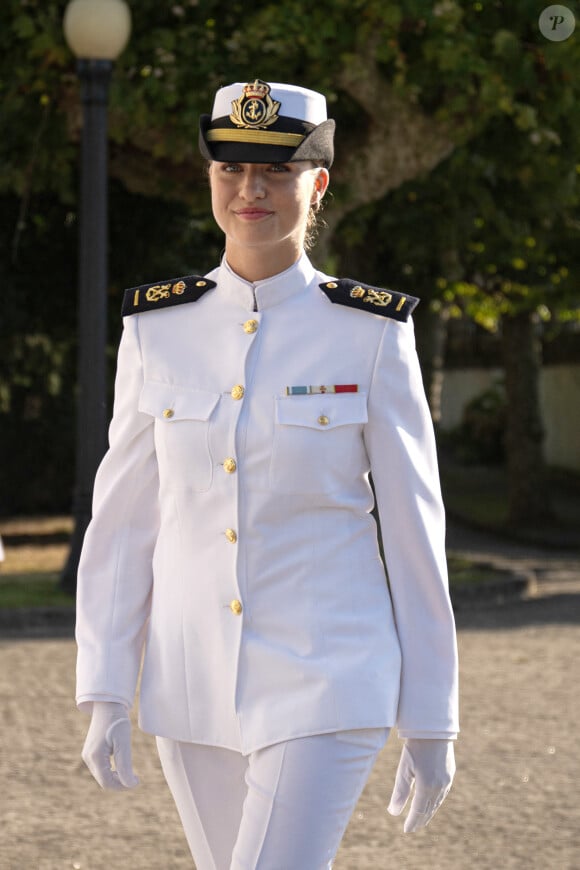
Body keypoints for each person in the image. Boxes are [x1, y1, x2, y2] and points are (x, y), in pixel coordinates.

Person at [76, 79, 459, 869]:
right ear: (209, 178)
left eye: (278, 171)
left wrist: (432, 714)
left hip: (329, 675)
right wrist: (106, 684)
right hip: (191, 684)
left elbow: (416, 532)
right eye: (231, 170)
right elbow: (123, 524)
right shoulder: (156, 328)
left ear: (317, 183)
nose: (251, 190)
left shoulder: (372, 334)